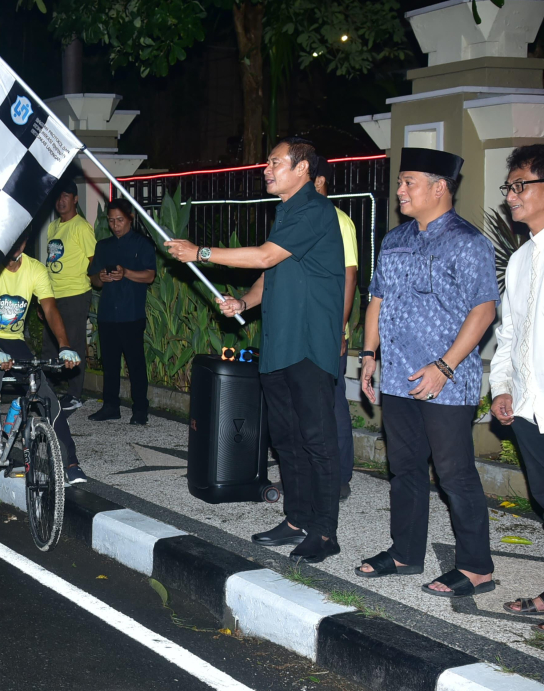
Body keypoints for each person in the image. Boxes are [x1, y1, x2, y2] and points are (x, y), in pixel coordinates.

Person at [166, 137, 344, 563]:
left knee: (316, 440)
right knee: (285, 440)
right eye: (268, 162)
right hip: (279, 346)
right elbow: (273, 271)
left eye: (275, 162)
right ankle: (297, 519)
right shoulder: (286, 213)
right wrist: (245, 302)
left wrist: (200, 252)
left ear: (302, 168)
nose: (266, 168)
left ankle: (325, 532)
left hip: (308, 347)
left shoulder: (315, 211)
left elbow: (265, 257)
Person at [356, 148, 498, 596]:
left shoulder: (468, 241)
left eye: (408, 182)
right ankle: (405, 553)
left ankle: (477, 567)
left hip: (446, 381)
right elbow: (376, 299)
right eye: (400, 182)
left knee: (455, 473)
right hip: (397, 376)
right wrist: (369, 355)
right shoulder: (394, 240)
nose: (399, 190)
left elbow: (484, 309)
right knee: (405, 468)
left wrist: (444, 365)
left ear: (440, 187)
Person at [0, 234, 86, 483]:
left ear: (26, 241)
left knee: (44, 390)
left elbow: (50, 308)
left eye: (21, 239)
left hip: (13, 341)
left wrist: (64, 345)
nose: (15, 244)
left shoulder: (35, 269)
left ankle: (71, 462)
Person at [490, 146, 544, 624]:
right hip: (528, 408)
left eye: (520, 185)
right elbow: (508, 334)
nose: (510, 196)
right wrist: (502, 388)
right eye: (509, 187)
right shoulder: (522, 259)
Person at [312, 160, 360, 500]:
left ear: (320, 182)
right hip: (301, 329)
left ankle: (341, 475)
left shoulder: (338, 221)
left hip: (327, 328)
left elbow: (350, 277)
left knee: (332, 403)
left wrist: (339, 329)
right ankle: (311, 471)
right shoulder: (296, 219)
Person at [87, 198, 156, 424]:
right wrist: (102, 278)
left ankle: (140, 409)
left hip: (131, 313)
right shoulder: (103, 246)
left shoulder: (142, 244)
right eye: (111, 221)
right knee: (110, 363)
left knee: (135, 363)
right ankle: (110, 406)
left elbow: (150, 275)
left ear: (130, 218)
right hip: (108, 313)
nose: (115, 225)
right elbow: (94, 280)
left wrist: (126, 272)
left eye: (120, 220)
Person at [41, 179, 96, 410]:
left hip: (75, 293)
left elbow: (94, 261)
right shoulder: (53, 227)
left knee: (72, 344)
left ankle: (75, 394)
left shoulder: (81, 227)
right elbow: (50, 261)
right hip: (52, 295)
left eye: (66, 196)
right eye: (58, 196)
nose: (61, 200)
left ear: (75, 199)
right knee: (50, 345)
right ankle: (48, 391)